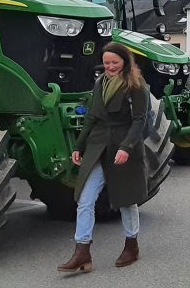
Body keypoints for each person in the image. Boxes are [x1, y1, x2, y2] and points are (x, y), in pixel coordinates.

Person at [59, 43, 150, 273]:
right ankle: (82, 252)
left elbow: (139, 120)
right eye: (107, 62)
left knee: (126, 199)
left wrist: (127, 147)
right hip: (98, 145)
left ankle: (132, 245)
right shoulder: (100, 83)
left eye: (114, 63)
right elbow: (91, 117)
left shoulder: (136, 86)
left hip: (122, 145)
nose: (109, 67)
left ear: (125, 62)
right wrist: (78, 146)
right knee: (85, 199)